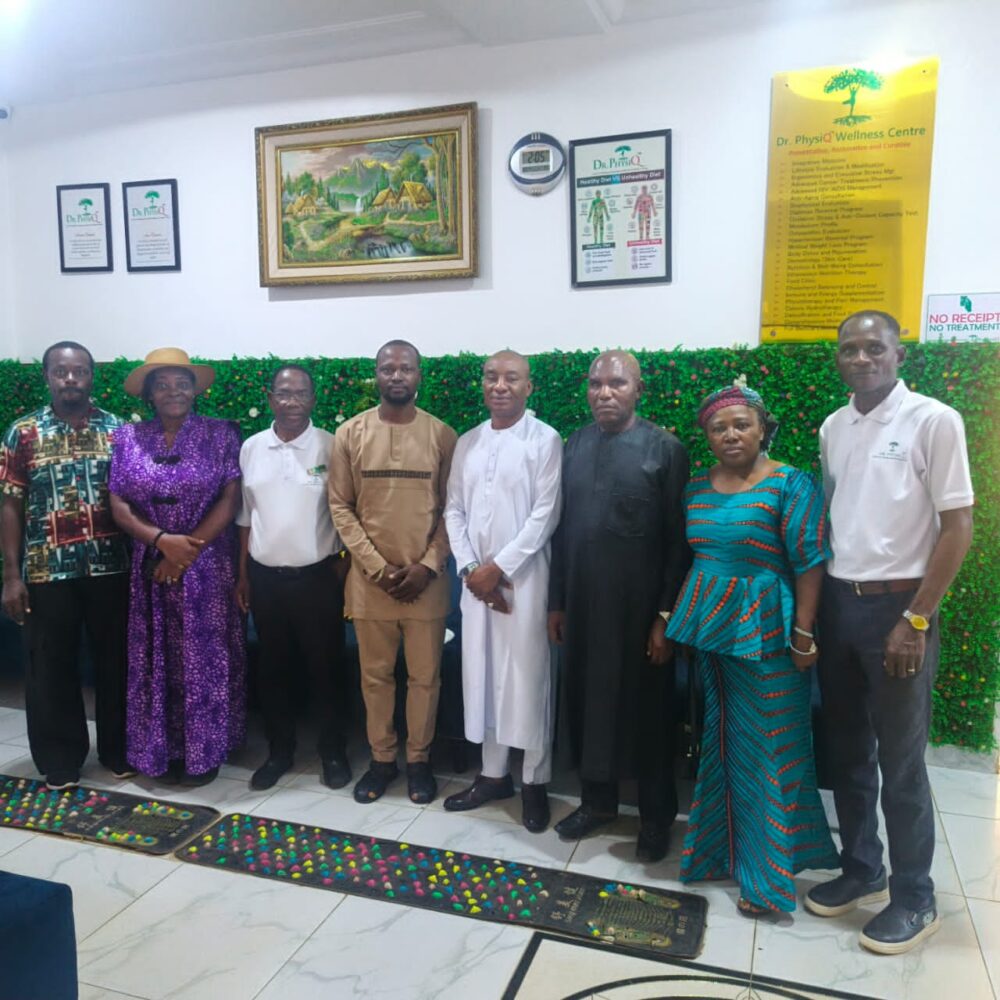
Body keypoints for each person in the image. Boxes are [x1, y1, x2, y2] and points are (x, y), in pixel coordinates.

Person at [805, 310, 974, 954]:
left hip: (901, 611)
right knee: (848, 752)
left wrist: (917, 619)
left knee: (901, 763)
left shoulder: (934, 420)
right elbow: (839, 514)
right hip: (841, 606)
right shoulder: (834, 426)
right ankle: (862, 869)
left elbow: (957, 527)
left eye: (874, 348)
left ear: (898, 355)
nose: (861, 358)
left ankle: (915, 897)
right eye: (849, 348)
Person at [667, 382, 839, 915]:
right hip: (713, 635)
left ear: (764, 429)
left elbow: (809, 561)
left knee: (768, 748)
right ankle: (718, 853)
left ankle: (767, 881)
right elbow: (696, 557)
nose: (730, 435)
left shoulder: (791, 484)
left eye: (742, 424)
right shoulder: (696, 488)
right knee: (723, 745)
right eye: (718, 428)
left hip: (770, 635)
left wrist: (804, 633)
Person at [549, 350, 689, 862]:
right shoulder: (576, 444)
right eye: (596, 384)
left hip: (640, 616)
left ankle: (655, 820)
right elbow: (562, 531)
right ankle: (597, 803)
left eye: (617, 384)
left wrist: (665, 617)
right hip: (584, 608)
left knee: (648, 715)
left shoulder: (666, 450)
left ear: (638, 390)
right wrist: (557, 603)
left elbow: (679, 542)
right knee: (588, 706)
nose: (604, 393)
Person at [328, 340, 456, 805]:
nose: (397, 376)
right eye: (388, 369)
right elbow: (340, 507)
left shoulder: (443, 435)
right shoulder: (350, 433)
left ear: (419, 375)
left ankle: (419, 761)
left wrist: (427, 565)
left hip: (427, 585)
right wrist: (377, 568)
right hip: (370, 585)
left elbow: (454, 509)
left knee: (425, 678)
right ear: (376, 375)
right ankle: (382, 760)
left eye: (406, 368)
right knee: (375, 678)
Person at [109, 347, 245, 786]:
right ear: (149, 394)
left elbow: (231, 498)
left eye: (182, 384)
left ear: (194, 390)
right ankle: (160, 749)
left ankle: (205, 752)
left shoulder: (222, 434)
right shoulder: (128, 438)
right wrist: (161, 542)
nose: (173, 391)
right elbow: (118, 503)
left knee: (205, 657)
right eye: (163, 385)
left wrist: (187, 550)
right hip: (152, 565)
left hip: (208, 566)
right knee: (155, 657)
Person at [0, 341, 131, 789]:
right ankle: (61, 757)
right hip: (46, 570)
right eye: (61, 371)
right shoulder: (22, 433)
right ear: (47, 377)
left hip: (110, 566)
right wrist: (11, 575)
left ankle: (118, 750)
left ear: (92, 376)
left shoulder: (118, 431)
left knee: (116, 662)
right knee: (49, 665)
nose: (70, 379)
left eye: (79, 371)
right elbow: (10, 505)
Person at [443, 351, 562, 832]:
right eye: (491, 377)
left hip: (525, 581)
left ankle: (534, 780)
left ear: (528, 387)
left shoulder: (545, 439)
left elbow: (546, 514)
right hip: (476, 585)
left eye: (511, 378)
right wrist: (473, 569)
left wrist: (499, 568)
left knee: (528, 677)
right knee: (484, 673)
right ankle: (493, 776)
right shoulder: (468, 442)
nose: (500, 385)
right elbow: (453, 509)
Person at [236, 364, 351, 792]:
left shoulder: (332, 446)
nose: (292, 402)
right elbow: (245, 518)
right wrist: (243, 576)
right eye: (284, 394)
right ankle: (279, 752)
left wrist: (342, 571)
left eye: (301, 393)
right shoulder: (251, 448)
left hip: (319, 578)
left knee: (326, 669)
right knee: (273, 670)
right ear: (270, 398)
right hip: (266, 580)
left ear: (313, 399)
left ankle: (333, 752)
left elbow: (347, 513)